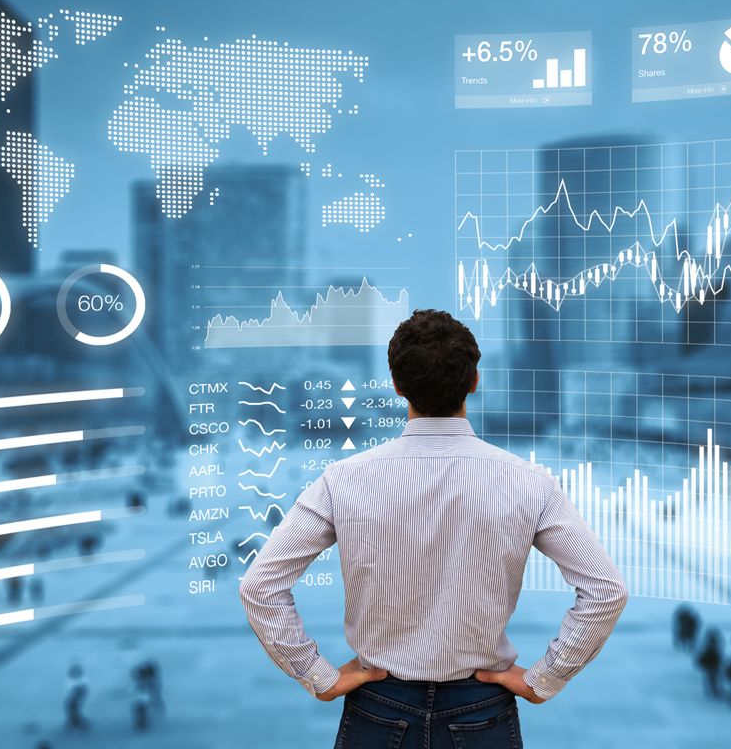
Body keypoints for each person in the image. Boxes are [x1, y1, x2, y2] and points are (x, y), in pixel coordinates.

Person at [240, 310, 628, 748]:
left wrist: (318, 675)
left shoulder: (342, 480)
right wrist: (545, 678)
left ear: (397, 385)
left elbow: (260, 586)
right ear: (474, 381)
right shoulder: (529, 482)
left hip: (377, 706)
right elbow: (606, 589)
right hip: (483, 709)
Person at [63, 663, 90, 732]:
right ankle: (76, 723)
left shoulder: (80, 681)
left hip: (76, 695)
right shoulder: (80, 680)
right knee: (72, 708)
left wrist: (75, 695)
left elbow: (82, 689)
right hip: (76, 695)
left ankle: (76, 724)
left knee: (72, 708)